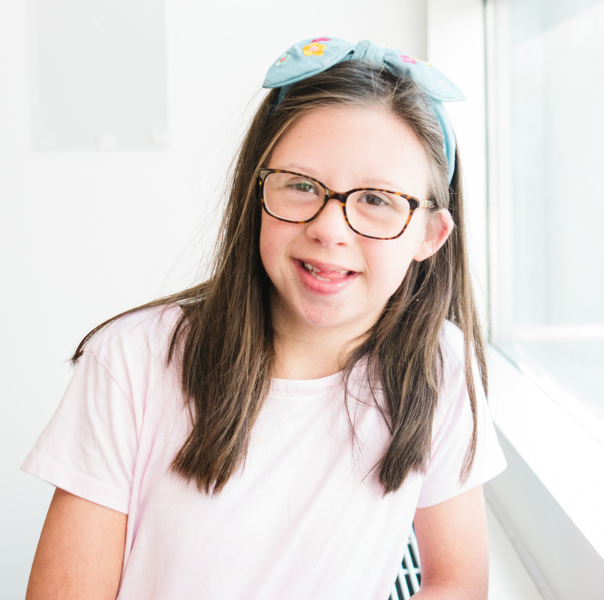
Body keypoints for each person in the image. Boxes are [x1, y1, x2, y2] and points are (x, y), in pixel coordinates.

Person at [22, 36, 505, 600]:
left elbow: (456, 581)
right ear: (255, 193)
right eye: (302, 186)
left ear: (430, 234)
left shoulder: (440, 365)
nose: (331, 229)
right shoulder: (131, 361)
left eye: (376, 199)